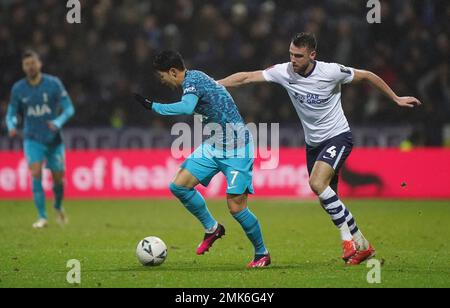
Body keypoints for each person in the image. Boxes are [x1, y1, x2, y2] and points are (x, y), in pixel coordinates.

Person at [218, 33, 421, 265]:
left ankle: (350, 239)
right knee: (327, 198)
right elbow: (246, 78)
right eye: (291, 54)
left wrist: (395, 98)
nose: (293, 60)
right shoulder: (284, 71)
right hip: (313, 144)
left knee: (316, 184)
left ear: (312, 55)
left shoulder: (331, 71)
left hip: (338, 137)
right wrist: (215, 85)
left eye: (298, 56)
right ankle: (362, 245)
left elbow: (367, 76)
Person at [133, 50, 270, 268]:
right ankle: (212, 228)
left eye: (162, 77)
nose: (163, 82)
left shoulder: (193, 81)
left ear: (173, 71)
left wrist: (153, 106)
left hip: (237, 148)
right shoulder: (196, 79)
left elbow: (187, 107)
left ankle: (262, 253)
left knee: (236, 207)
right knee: (179, 186)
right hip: (214, 146)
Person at [5, 50, 75, 229]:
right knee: (35, 172)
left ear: (39, 63)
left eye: (33, 63)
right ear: (23, 67)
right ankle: (42, 216)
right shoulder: (18, 89)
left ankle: (58, 206)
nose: (30, 67)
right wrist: (12, 125)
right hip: (32, 138)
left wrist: (58, 122)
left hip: (53, 139)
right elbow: (12, 113)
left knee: (58, 179)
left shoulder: (53, 84)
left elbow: (69, 109)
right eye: (26, 64)